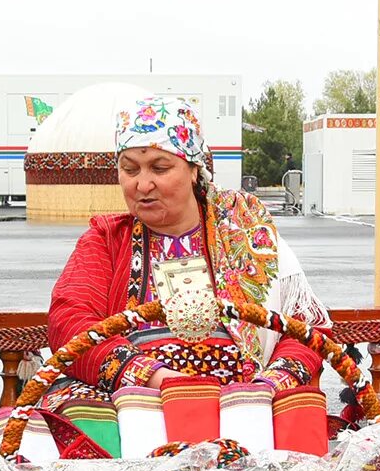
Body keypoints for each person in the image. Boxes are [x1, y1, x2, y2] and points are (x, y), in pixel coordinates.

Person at [45, 95, 329, 405]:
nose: (142, 185)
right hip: (133, 400)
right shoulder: (106, 240)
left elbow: (305, 328)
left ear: (194, 169)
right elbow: (69, 321)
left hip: (244, 401)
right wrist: (154, 378)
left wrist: (270, 385)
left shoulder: (245, 230)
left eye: (160, 168)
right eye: (130, 170)